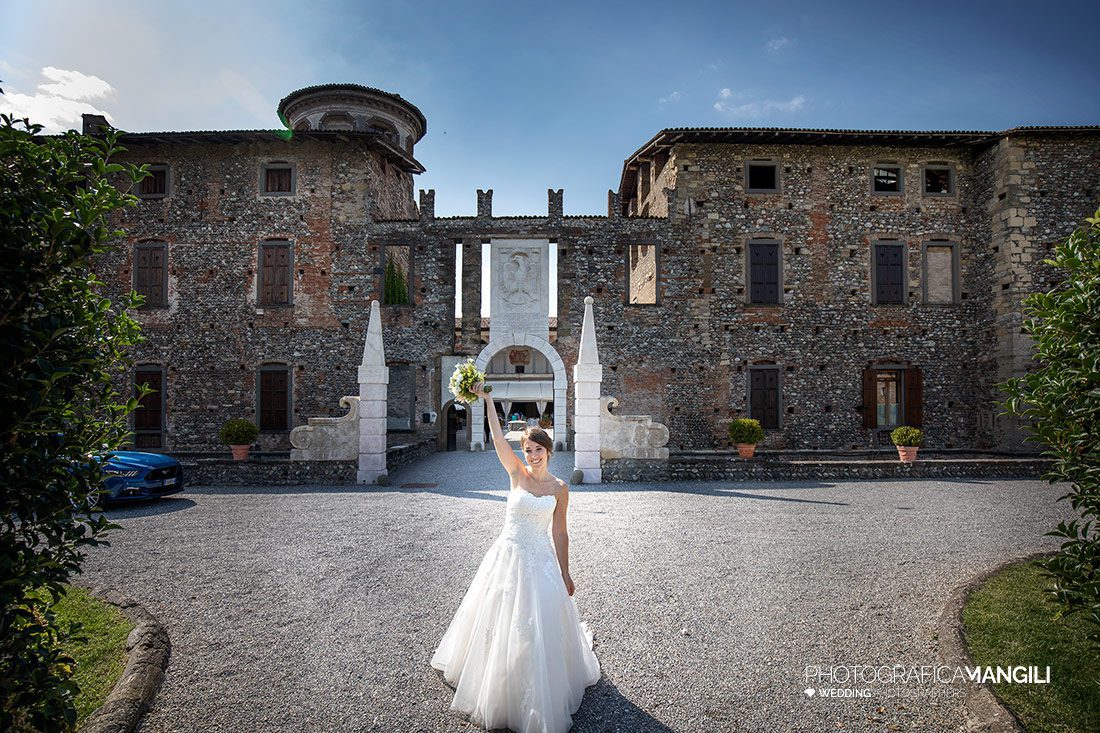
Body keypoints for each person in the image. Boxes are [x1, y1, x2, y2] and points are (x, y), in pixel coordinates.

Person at [430, 382, 601, 733]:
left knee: (537, 626)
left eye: (538, 449)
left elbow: (560, 532)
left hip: (539, 561)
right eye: (528, 450)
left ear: (549, 452)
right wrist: (489, 399)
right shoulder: (516, 474)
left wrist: (566, 574)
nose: (533, 455)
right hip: (506, 555)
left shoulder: (559, 488)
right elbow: (496, 439)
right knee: (498, 620)